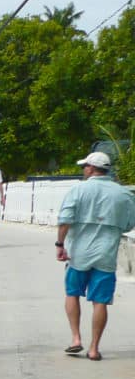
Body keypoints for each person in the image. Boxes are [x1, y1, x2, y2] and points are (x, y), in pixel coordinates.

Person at [56, 151, 135, 361]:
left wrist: (60, 244)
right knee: (100, 301)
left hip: (78, 253)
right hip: (106, 254)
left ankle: (75, 339)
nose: (83, 170)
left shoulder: (78, 190)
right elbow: (129, 224)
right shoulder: (124, 194)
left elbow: (65, 219)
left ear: (91, 168)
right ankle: (94, 348)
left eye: (85, 167)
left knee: (72, 293)